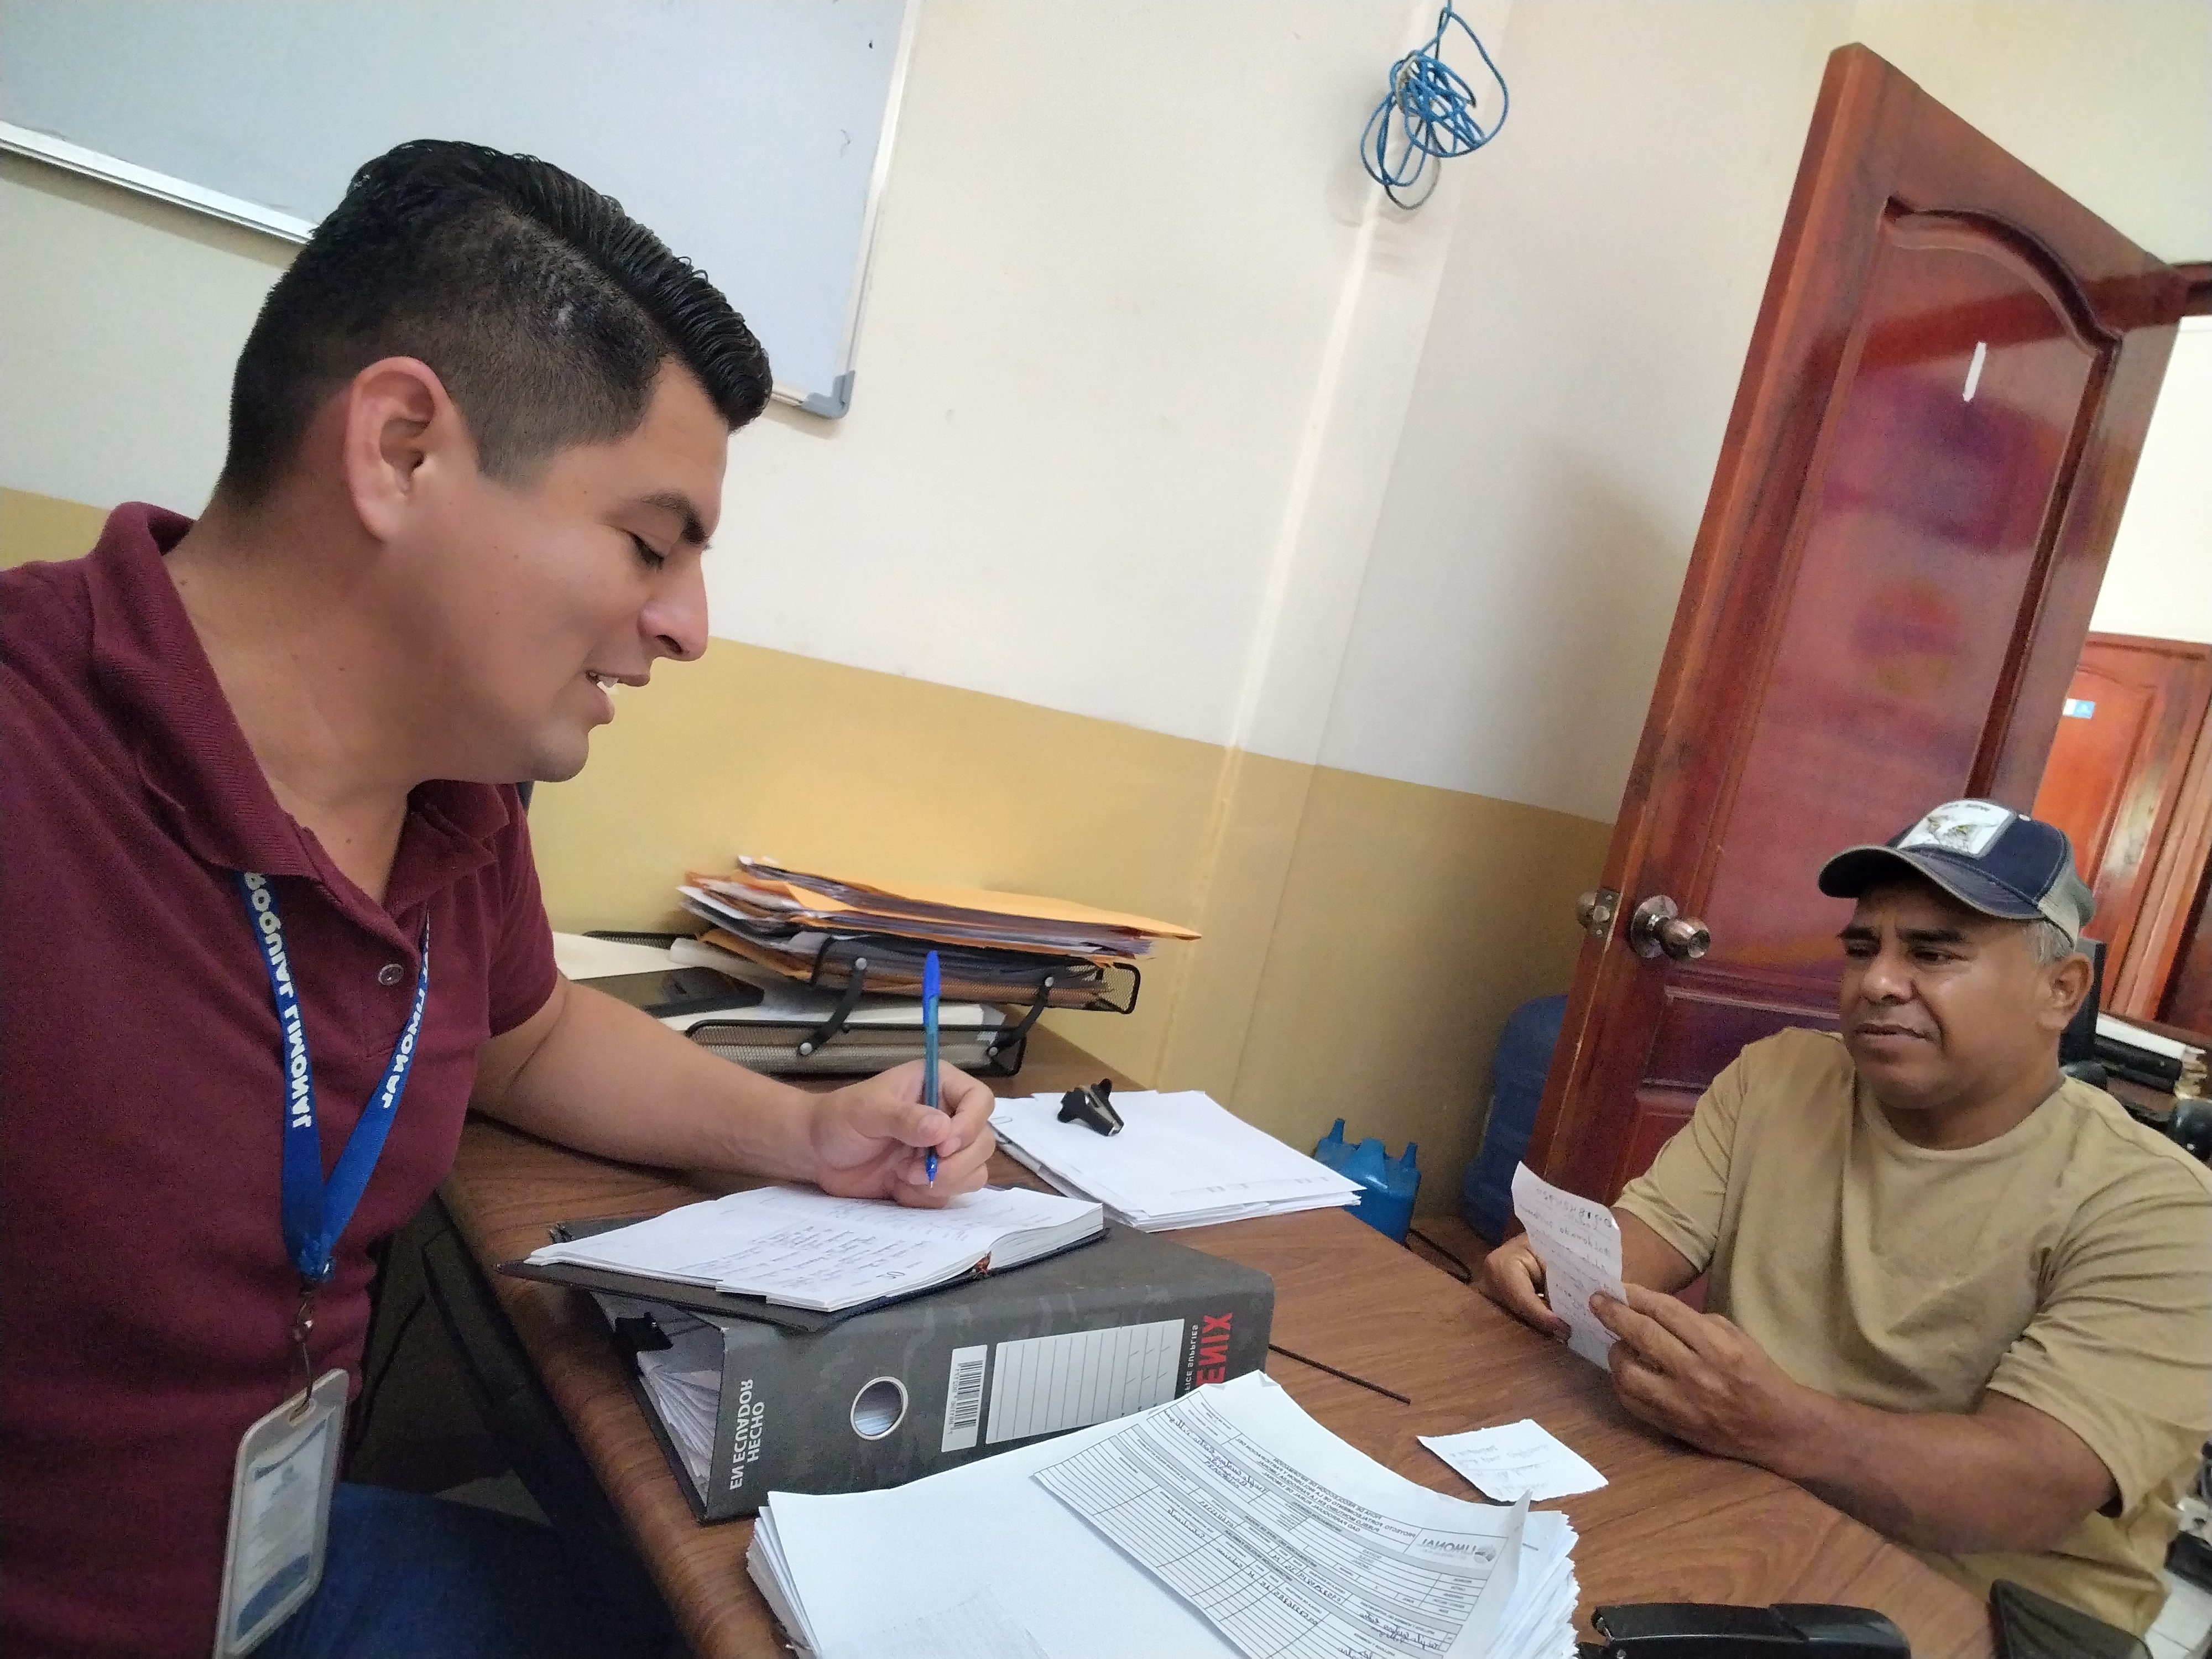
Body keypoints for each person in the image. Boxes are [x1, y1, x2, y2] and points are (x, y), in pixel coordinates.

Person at [0, 141, 998, 1658]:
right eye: (650, 544)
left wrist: (805, 1135)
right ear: (401, 450)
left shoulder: (453, 795)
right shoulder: (32, 757)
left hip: (272, 1579)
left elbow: (525, 1037)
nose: (688, 626)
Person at [1484, 799, 2212, 1635]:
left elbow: (2030, 1490)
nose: (1877, 983)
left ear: (2061, 990)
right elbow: (1635, 1251)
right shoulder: (1781, 1078)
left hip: (1987, 1602)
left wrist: (1779, 1427)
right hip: (1754, 1500)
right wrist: (1553, 1269)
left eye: (1933, 953)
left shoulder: (2162, 1209)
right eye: (1863, 948)